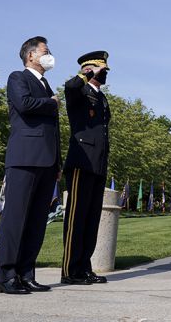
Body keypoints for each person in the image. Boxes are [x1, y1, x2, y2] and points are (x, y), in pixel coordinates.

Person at [0, 36, 61, 295]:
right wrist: (52, 103)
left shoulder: (46, 85)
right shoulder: (18, 78)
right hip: (24, 158)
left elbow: (53, 130)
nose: (49, 55)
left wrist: (58, 162)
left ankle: (26, 274)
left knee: (36, 221)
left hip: (47, 162)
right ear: (31, 55)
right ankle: (7, 277)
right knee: (15, 219)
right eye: (45, 51)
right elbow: (24, 105)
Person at [61, 51, 112, 285]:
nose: (105, 74)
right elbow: (70, 87)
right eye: (101, 70)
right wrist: (85, 75)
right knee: (77, 217)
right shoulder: (78, 91)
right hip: (81, 162)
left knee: (91, 220)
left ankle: (84, 267)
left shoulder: (101, 98)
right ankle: (70, 270)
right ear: (88, 69)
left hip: (98, 163)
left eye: (105, 71)